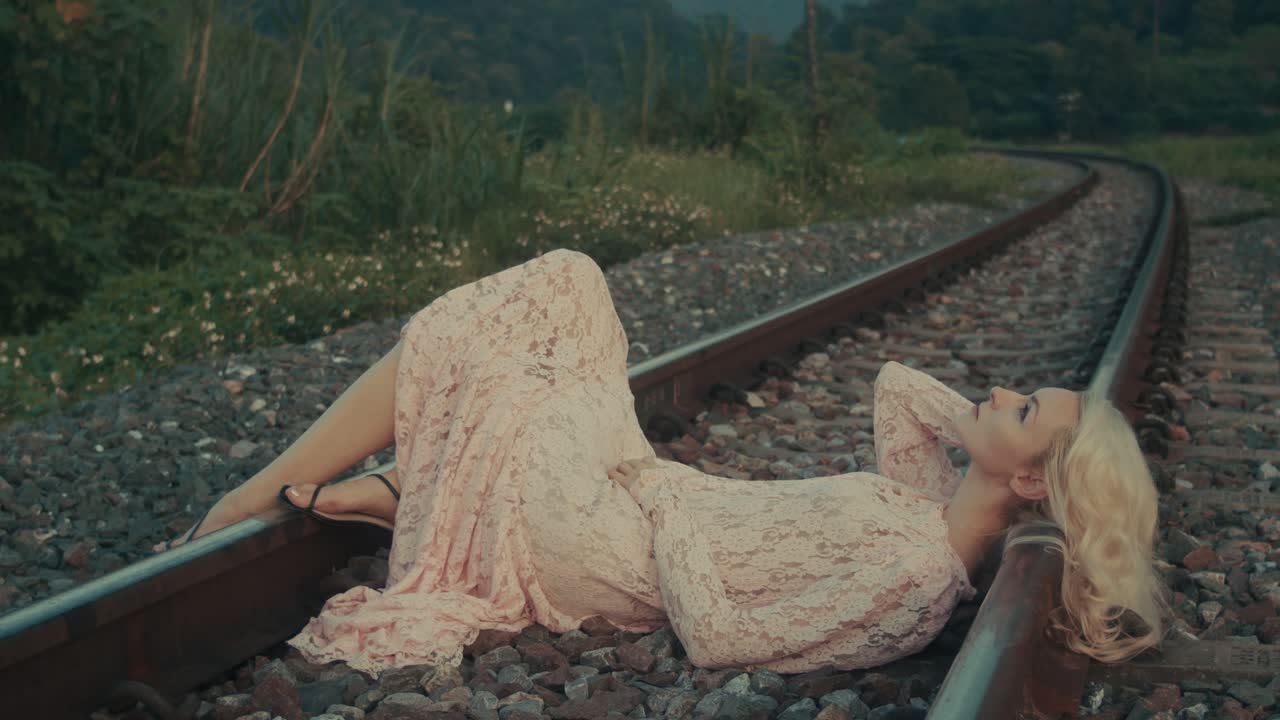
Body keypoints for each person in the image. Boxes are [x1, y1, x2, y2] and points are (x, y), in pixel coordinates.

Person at [154, 248, 1169, 676]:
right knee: (570, 285)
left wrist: (667, 514)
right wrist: (993, 458)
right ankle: (416, 492)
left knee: (517, 379)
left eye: (1021, 408)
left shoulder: (913, 582)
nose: (996, 394)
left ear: (1035, 479)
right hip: (634, 491)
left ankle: (275, 495)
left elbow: (723, 638)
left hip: (609, 544)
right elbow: (898, 386)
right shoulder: (928, 502)